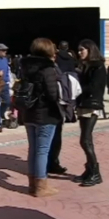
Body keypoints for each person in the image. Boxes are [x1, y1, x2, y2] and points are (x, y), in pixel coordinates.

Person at [21, 38, 63, 197]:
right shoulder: (48, 69)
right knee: (42, 150)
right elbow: (53, 94)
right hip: (45, 114)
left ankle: (32, 184)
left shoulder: (25, 67)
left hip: (29, 113)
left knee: (33, 149)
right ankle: (41, 185)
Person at [73, 39, 106, 187]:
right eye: (79, 50)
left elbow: (94, 87)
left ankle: (95, 172)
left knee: (85, 140)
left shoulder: (98, 67)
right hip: (83, 104)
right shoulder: (84, 66)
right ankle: (89, 170)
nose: (79, 53)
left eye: (82, 50)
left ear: (90, 50)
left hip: (92, 105)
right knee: (85, 140)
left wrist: (77, 86)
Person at [47, 41, 79, 175]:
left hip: (46, 107)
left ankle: (43, 166)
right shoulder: (71, 59)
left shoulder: (50, 65)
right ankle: (52, 164)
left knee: (42, 141)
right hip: (60, 102)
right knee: (55, 136)